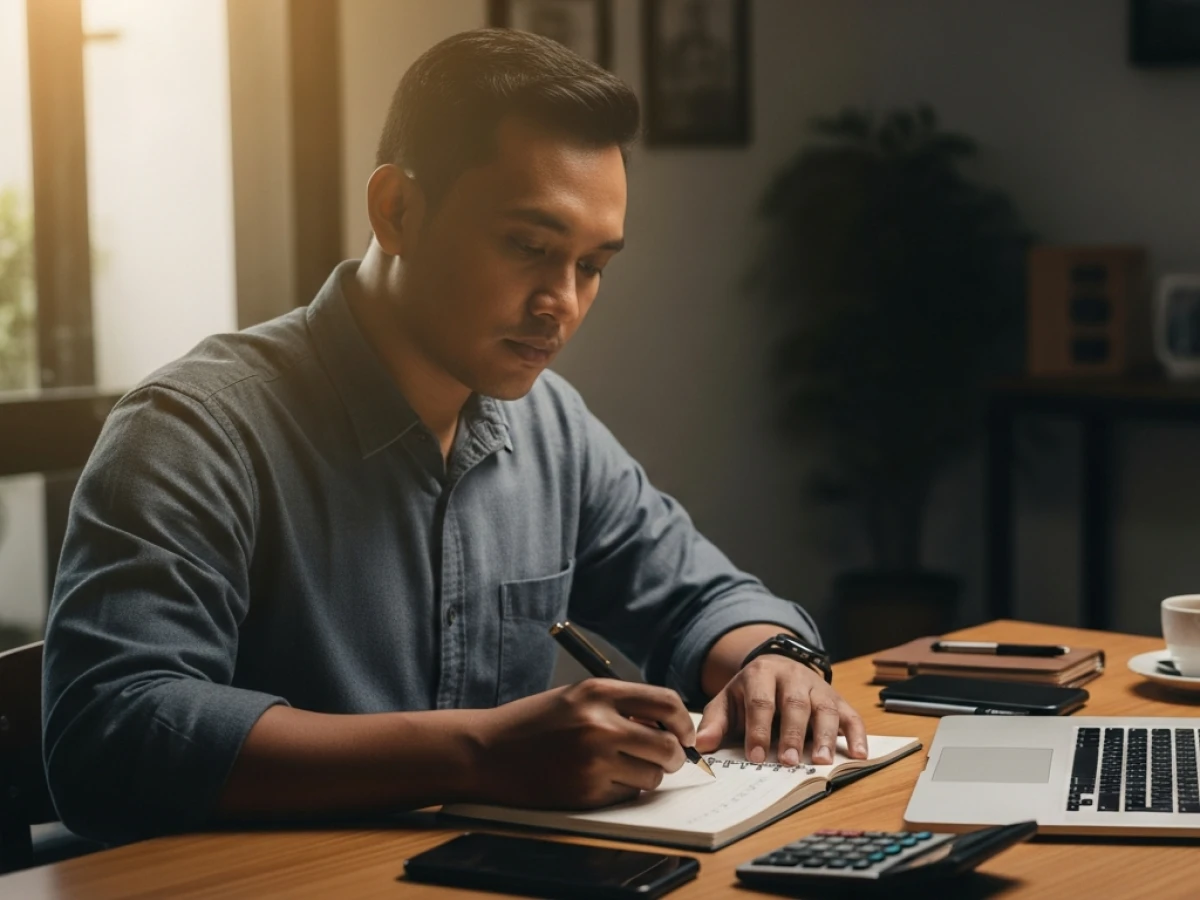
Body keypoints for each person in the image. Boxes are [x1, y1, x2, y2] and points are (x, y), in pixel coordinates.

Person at [43, 28, 867, 845]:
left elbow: (702, 596)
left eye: (592, 266)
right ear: (396, 210)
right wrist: (478, 751)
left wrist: (775, 660)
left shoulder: (550, 429)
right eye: (529, 247)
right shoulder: (195, 431)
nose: (563, 302)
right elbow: (112, 732)